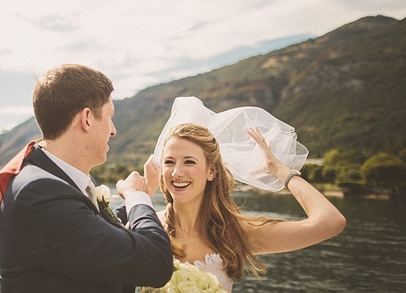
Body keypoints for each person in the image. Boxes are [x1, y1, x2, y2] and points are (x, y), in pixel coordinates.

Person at [0, 64, 173, 293]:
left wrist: (140, 196)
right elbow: (156, 264)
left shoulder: (53, 178)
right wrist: (137, 198)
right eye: (110, 117)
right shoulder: (40, 193)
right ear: (87, 118)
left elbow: (89, 230)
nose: (113, 131)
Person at [142, 103, 346, 292]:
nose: (177, 173)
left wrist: (280, 169)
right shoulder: (144, 226)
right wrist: (142, 196)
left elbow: (331, 222)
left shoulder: (235, 234)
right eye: (169, 162)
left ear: (211, 172)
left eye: (189, 162)